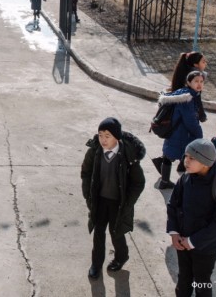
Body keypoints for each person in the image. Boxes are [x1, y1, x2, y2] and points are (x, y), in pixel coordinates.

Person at [167, 139, 216, 297]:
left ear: (205, 162)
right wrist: (174, 232)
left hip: (206, 249)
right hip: (182, 243)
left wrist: (193, 241)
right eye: (186, 156)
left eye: (192, 158)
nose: (186, 161)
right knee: (183, 279)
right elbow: (173, 205)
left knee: (201, 283)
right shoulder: (185, 179)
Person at [82, 117, 146, 279]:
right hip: (99, 200)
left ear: (116, 137)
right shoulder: (95, 151)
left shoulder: (128, 155)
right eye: (100, 135)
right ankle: (96, 264)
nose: (103, 140)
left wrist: (128, 203)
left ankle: (121, 257)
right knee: (98, 232)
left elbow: (138, 182)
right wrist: (88, 196)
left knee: (116, 232)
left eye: (107, 136)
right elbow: (86, 173)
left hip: (119, 203)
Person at [154, 71, 205, 189]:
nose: (199, 84)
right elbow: (190, 121)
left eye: (201, 81)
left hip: (173, 130)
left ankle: (164, 181)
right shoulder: (187, 99)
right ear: (189, 82)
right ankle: (186, 184)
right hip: (182, 133)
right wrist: (199, 136)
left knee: (168, 155)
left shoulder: (183, 92)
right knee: (189, 156)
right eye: (196, 81)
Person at [170, 52, 208, 123]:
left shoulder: (185, 73)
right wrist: (202, 116)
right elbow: (197, 99)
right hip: (186, 116)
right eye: (203, 62)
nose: (206, 63)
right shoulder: (195, 78)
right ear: (195, 64)